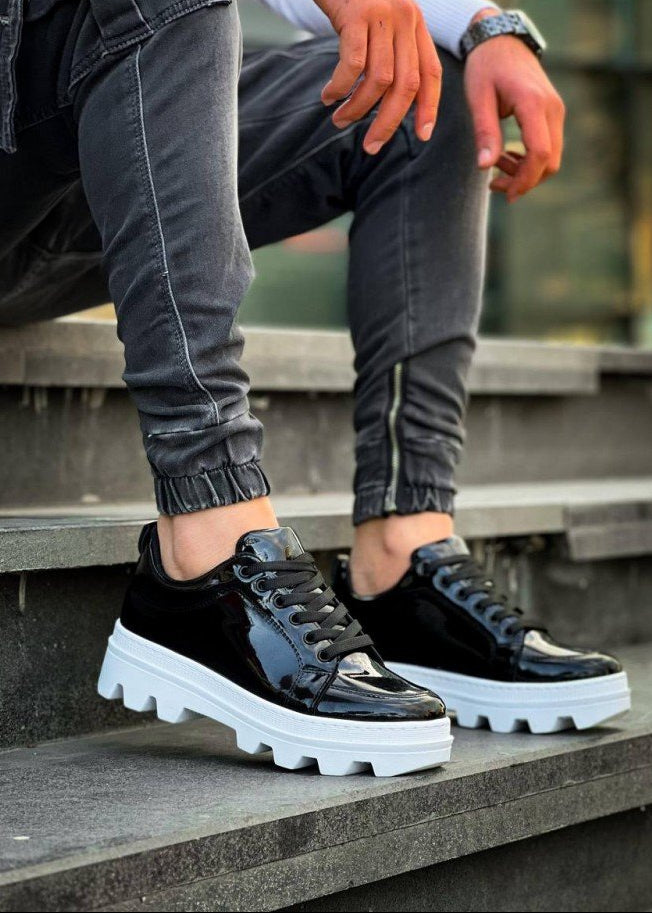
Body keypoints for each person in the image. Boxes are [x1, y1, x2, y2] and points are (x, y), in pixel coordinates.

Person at [0, 0, 629, 777]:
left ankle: (401, 559)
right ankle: (207, 539)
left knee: (426, 87)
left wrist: (485, 25)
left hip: (89, 163)